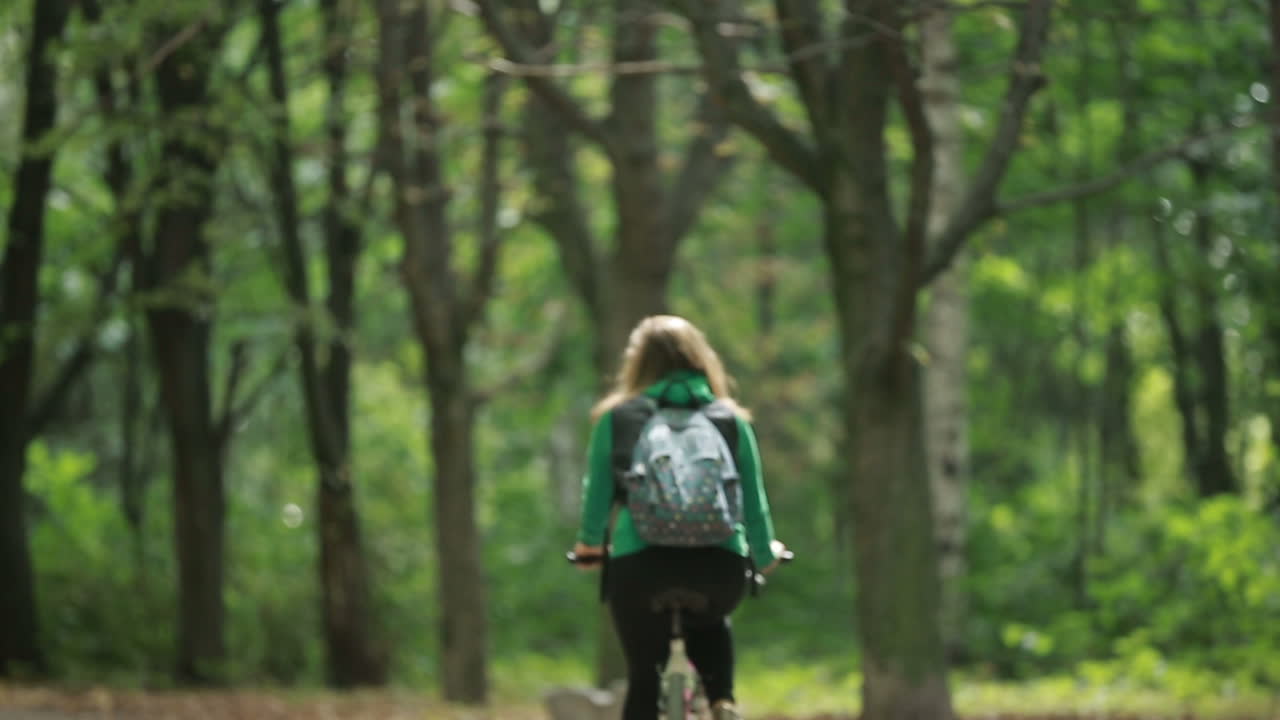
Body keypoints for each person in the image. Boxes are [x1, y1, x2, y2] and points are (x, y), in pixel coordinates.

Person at [572, 315, 785, 720]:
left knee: (643, 676)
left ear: (637, 365)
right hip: (718, 566)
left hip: (640, 567)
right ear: (701, 360)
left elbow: (596, 496)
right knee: (710, 619)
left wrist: (588, 546)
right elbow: (753, 504)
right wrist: (764, 552)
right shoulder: (730, 420)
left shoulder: (616, 419)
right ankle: (722, 699)